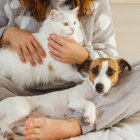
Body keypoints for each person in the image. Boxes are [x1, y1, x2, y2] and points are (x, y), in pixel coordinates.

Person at [0, 0, 140, 140]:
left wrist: (84, 56)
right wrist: (7, 33)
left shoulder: (97, 4)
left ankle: (73, 125)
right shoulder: (10, 2)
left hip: (83, 91)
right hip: (18, 92)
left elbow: (110, 61)